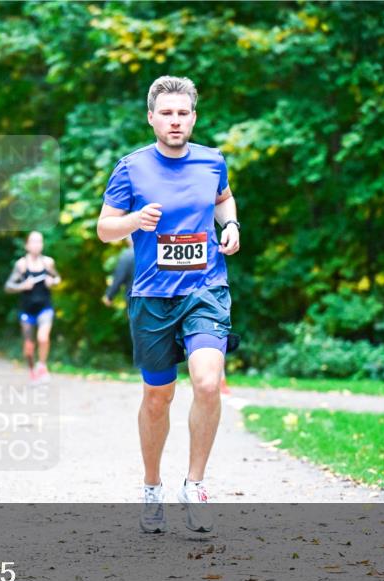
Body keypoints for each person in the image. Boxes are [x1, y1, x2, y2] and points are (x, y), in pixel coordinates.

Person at [97, 76, 241, 534]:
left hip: (205, 290)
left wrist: (231, 225)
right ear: (152, 117)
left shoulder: (212, 162)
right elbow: (104, 228)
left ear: (193, 117)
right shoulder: (131, 168)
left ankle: (194, 485)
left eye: (183, 113)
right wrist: (135, 220)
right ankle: (152, 487)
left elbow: (223, 200)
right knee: (158, 397)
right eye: (167, 113)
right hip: (153, 298)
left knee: (206, 381)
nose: (175, 120)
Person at [5, 231, 61, 383]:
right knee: (29, 345)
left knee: (43, 337)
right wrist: (23, 286)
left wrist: (53, 282)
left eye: (39, 242)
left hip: (45, 307)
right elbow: (8, 286)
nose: (37, 245)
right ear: (27, 245)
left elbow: (57, 278)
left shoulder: (48, 262)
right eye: (33, 242)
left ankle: (42, 365)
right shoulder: (21, 265)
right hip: (27, 310)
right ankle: (32, 371)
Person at [103, 236, 135, 307]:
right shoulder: (156, 252)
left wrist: (109, 295)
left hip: (135, 301)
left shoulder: (127, 256)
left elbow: (119, 278)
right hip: (158, 299)